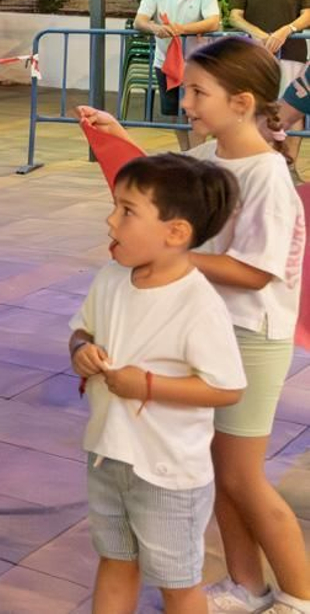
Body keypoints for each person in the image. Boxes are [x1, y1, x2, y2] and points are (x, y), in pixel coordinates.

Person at [79, 37, 310, 614]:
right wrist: (115, 136)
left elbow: (255, 273)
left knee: (243, 478)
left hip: (251, 336)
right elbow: (169, 195)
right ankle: (246, 585)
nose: (186, 103)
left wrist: (172, 258)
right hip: (210, 328)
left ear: (242, 102)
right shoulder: (214, 160)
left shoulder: (266, 177)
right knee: (218, 473)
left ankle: (299, 595)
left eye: (198, 93)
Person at [69, 154, 246, 614]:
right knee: (115, 561)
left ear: (176, 233)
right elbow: (82, 328)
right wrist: (81, 350)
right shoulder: (110, 278)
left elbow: (227, 388)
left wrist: (147, 385)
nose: (111, 220)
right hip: (108, 455)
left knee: (177, 584)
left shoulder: (197, 304)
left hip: (168, 473)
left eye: (127, 211)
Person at [230, 0, 310, 165]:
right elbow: (234, 16)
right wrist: (261, 36)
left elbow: (308, 13)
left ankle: (289, 163)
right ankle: (257, 160)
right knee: (255, 105)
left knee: (292, 107)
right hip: (255, 53)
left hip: (292, 51)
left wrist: (286, 31)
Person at [133, 0, 221, 149]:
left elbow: (213, 22)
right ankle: (186, 153)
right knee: (174, 113)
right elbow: (140, 21)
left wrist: (182, 29)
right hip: (165, 62)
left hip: (198, 63)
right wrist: (155, 28)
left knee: (196, 112)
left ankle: (198, 154)